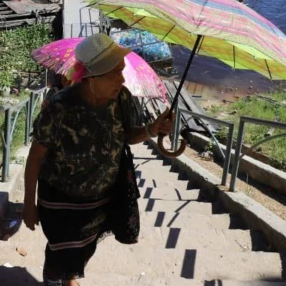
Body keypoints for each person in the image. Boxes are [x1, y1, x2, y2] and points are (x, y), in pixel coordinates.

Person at [23, 33, 174, 286]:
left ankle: (70, 277)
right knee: (59, 247)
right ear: (92, 77)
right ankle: (52, 280)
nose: (122, 79)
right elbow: (36, 154)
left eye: (122, 71)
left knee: (86, 246)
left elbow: (127, 135)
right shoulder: (59, 107)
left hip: (102, 196)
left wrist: (152, 129)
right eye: (115, 73)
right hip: (60, 197)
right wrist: (28, 203)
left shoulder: (122, 98)